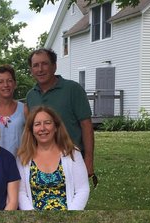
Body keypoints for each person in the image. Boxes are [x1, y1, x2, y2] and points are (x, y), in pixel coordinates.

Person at [26, 48, 97, 185]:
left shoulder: (72, 89)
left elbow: (86, 125)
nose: (40, 69)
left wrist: (88, 160)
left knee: (73, 201)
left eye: (44, 64)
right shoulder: (31, 96)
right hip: (42, 162)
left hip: (72, 158)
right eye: (35, 65)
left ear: (54, 66)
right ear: (31, 70)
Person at [16, 105, 90, 210]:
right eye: (37, 124)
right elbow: (21, 192)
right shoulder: (23, 157)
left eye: (47, 123)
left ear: (56, 127)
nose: (42, 128)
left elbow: (82, 189)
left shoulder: (72, 153)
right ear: (31, 130)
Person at [0, 65, 25, 156]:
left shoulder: (24, 109)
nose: (6, 85)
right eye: (0, 82)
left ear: (15, 84)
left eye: (9, 81)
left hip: (19, 164)